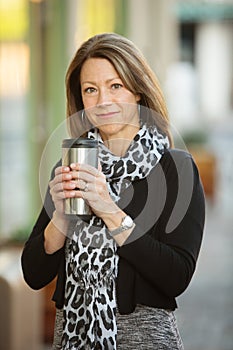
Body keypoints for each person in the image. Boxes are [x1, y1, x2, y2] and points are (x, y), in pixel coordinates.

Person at [21, 33, 205, 350]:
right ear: (80, 101)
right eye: (90, 90)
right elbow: (34, 273)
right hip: (72, 338)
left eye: (115, 86)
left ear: (137, 91)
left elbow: (177, 276)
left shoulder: (176, 169)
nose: (102, 100)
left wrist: (108, 209)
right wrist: (62, 218)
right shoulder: (73, 164)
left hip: (144, 339)